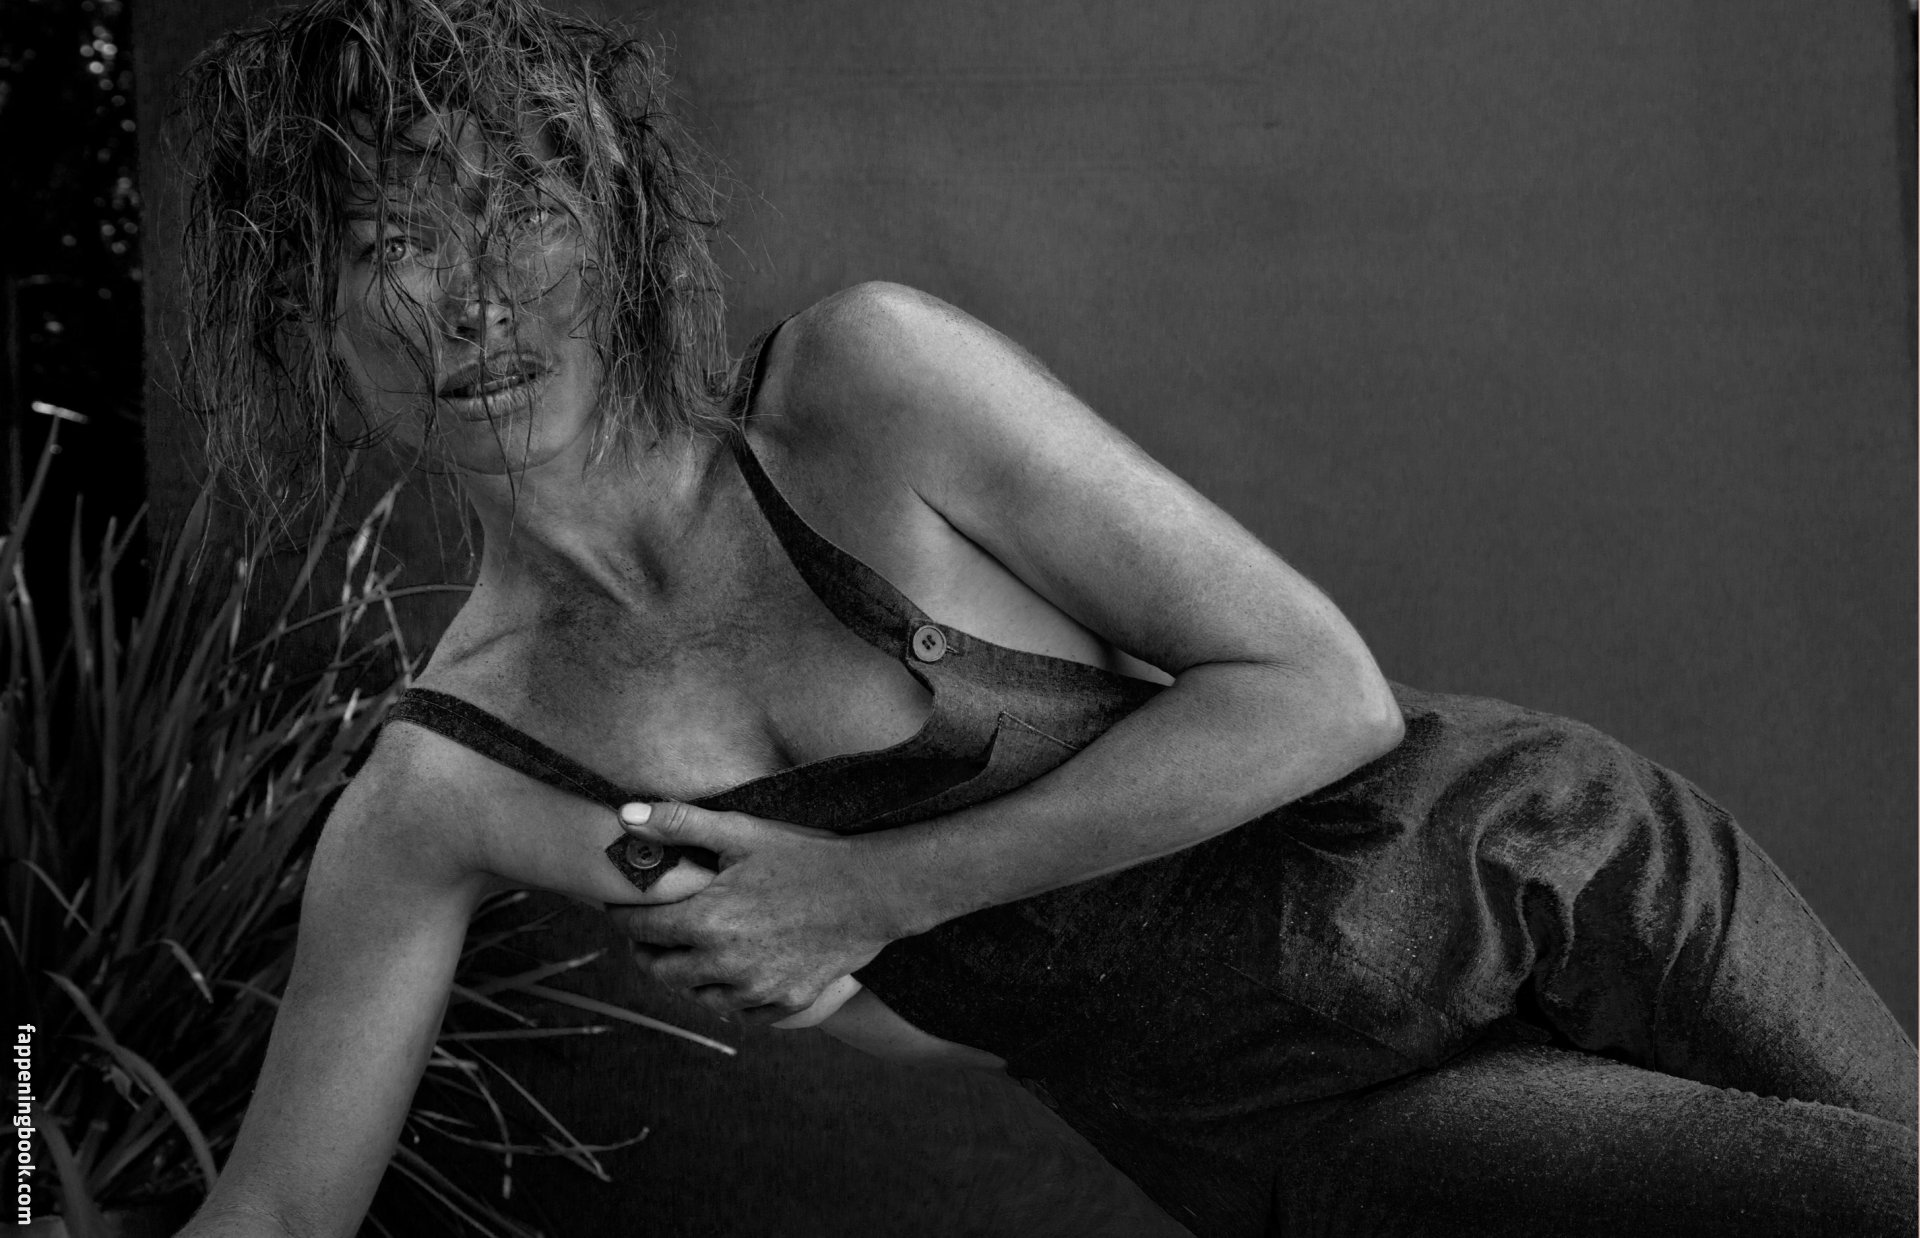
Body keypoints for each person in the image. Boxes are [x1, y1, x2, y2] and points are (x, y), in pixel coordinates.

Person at [172, 0, 1916, 1235]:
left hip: (1554, 871)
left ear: (611, 226)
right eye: (394, 235)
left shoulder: (862, 391)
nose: (475, 295)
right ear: (309, 323)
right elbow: (276, 1210)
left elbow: (1321, 692)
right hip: (1300, 1124)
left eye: (517, 204)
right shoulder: (447, 787)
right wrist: (37, 1140)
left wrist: (871, 892)